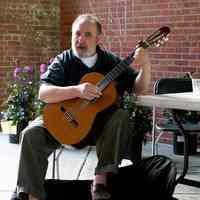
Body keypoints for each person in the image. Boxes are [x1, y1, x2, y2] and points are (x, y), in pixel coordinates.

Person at [11, 14, 151, 200]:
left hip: (99, 128)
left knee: (121, 117)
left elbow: (139, 88)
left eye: (87, 35)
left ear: (97, 38)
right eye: (77, 34)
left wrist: (146, 64)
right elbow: (43, 93)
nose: (80, 39)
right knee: (31, 133)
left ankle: (100, 182)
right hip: (63, 121)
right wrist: (77, 90)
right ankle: (30, 194)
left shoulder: (110, 62)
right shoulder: (64, 60)